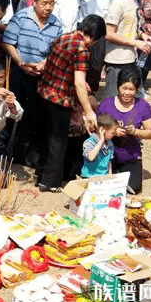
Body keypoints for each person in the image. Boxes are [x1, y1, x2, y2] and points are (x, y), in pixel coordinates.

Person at [36, 14, 105, 192]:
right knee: (58, 141)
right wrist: (89, 111)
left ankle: (40, 175)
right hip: (60, 98)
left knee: (46, 137)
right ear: (93, 36)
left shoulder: (63, 37)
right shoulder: (82, 49)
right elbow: (79, 83)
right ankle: (50, 182)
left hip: (45, 93)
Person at [3, 0, 62, 166]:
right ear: (35, 1)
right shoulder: (20, 18)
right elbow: (8, 43)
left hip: (40, 76)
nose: (48, 7)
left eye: (51, 3)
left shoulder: (56, 24)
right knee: (9, 113)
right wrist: (20, 62)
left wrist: (45, 64)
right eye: (44, 3)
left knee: (31, 116)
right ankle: (1, 153)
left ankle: (21, 157)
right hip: (18, 72)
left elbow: (56, 50)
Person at [97, 68, 151, 194]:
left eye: (131, 89)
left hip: (131, 156)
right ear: (118, 87)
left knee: (133, 188)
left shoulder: (142, 106)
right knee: (102, 185)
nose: (127, 93)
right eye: (124, 88)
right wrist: (112, 132)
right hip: (107, 156)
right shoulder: (107, 104)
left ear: (136, 90)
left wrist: (135, 132)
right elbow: (96, 128)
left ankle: (121, 175)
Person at [104, 0, 151, 99]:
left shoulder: (133, 2)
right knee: (112, 102)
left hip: (130, 59)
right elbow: (108, 34)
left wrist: (142, 35)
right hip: (116, 61)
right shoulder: (118, 3)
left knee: (129, 102)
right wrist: (135, 42)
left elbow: (131, 27)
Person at [74, 0, 117, 92]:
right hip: (84, 32)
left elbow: (114, 10)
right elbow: (76, 10)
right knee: (81, 62)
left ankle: (91, 91)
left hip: (101, 33)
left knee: (97, 64)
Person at [81, 113, 118, 178]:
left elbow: (109, 161)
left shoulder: (110, 143)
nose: (114, 134)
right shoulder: (89, 142)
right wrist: (101, 141)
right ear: (103, 131)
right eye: (112, 133)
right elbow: (91, 157)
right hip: (89, 176)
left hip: (103, 176)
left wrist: (110, 175)